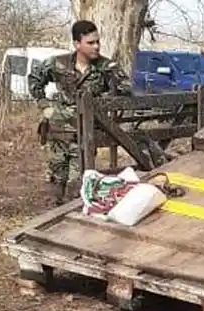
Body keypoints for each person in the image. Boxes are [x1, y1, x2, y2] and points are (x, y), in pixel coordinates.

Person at [29, 20, 134, 205]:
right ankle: (54, 213)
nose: (96, 46)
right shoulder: (59, 63)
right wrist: (44, 105)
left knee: (78, 185)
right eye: (90, 43)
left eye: (97, 42)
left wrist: (105, 98)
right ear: (77, 44)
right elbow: (35, 78)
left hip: (85, 134)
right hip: (58, 131)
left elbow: (126, 89)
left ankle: (74, 214)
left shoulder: (106, 67)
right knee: (56, 178)